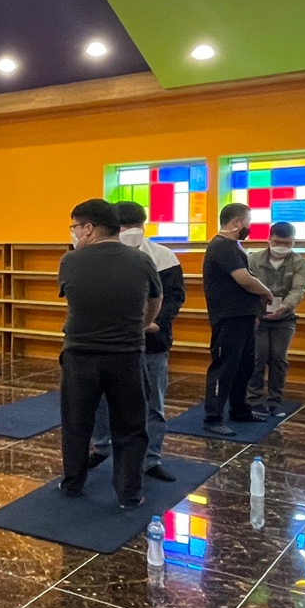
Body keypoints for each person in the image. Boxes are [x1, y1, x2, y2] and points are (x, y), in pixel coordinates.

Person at [58, 199, 163, 508]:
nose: (75, 233)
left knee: (77, 424)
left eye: (75, 227)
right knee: (131, 427)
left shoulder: (70, 261)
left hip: (80, 354)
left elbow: (75, 301)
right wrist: (140, 325)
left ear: (89, 228)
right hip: (127, 354)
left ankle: (73, 483)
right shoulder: (141, 260)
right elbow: (155, 301)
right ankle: (129, 494)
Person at [87, 201, 185, 482]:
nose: (130, 231)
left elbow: (173, 297)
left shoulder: (163, 257)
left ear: (144, 225)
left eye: (135, 226)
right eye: (124, 227)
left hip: (152, 342)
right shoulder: (98, 256)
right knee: (102, 400)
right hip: (110, 341)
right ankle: (102, 447)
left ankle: (151, 459)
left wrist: (154, 323)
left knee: (153, 403)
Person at [202, 202, 276, 437]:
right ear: (236, 222)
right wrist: (266, 291)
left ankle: (239, 410)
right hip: (228, 317)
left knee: (244, 367)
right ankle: (213, 418)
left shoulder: (234, 246)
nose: (249, 226)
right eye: (248, 221)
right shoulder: (221, 246)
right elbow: (243, 278)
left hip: (243, 317)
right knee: (224, 368)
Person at [247, 222, 305, 417]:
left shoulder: (300, 263)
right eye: (277, 242)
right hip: (258, 318)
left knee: (278, 358)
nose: (281, 246)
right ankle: (253, 400)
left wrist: (285, 306)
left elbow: (299, 289)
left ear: (293, 242)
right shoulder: (252, 259)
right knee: (257, 358)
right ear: (269, 239)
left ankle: (275, 401)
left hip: (284, 319)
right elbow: (246, 285)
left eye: (287, 243)